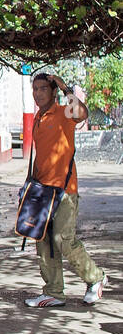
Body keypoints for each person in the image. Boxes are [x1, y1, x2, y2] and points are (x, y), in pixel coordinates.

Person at [23, 71, 108, 308]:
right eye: (35, 89)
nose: (38, 93)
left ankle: (96, 278)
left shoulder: (62, 113)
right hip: (42, 192)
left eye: (42, 89)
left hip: (65, 191)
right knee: (44, 241)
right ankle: (54, 292)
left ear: (52, 92)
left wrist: (64, 86)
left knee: (63, 239)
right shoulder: (39, 118)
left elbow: (82, 114)